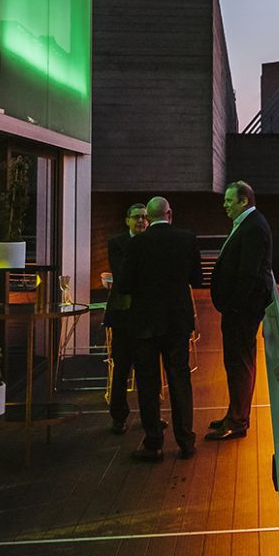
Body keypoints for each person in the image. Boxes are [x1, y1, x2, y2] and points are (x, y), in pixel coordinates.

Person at [115, 196, 201, 461]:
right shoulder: (187, 239)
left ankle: (154, 443)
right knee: (180, 380)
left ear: (148, 218)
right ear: (170, 214)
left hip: (145, 323)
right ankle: (186, 441)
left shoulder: (137, 243)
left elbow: (125, 285)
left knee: (148, 383)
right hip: (177, 322)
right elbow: (196, 279)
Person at [206, 180, 272, 442]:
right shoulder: (250, 224)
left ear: (244, 201)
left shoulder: (253, 227)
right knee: (236, 363)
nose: (224, 205)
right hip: (240, 310)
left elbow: (248, 273)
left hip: (241, 311)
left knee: (240, 363)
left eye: (229, 200)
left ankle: (238, 420)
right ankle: (234, 414)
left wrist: (233, 306)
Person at [104, 203, 148, 435]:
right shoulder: (117, 243)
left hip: (146, 315)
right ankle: (118, 416)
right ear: (127, 220)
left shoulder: (152, 242)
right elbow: (122, 278)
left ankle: (149, 416)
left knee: (147, 369)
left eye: (144, 217)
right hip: (123, 316)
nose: (141, 221)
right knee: (122, 368)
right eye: (137, 217)